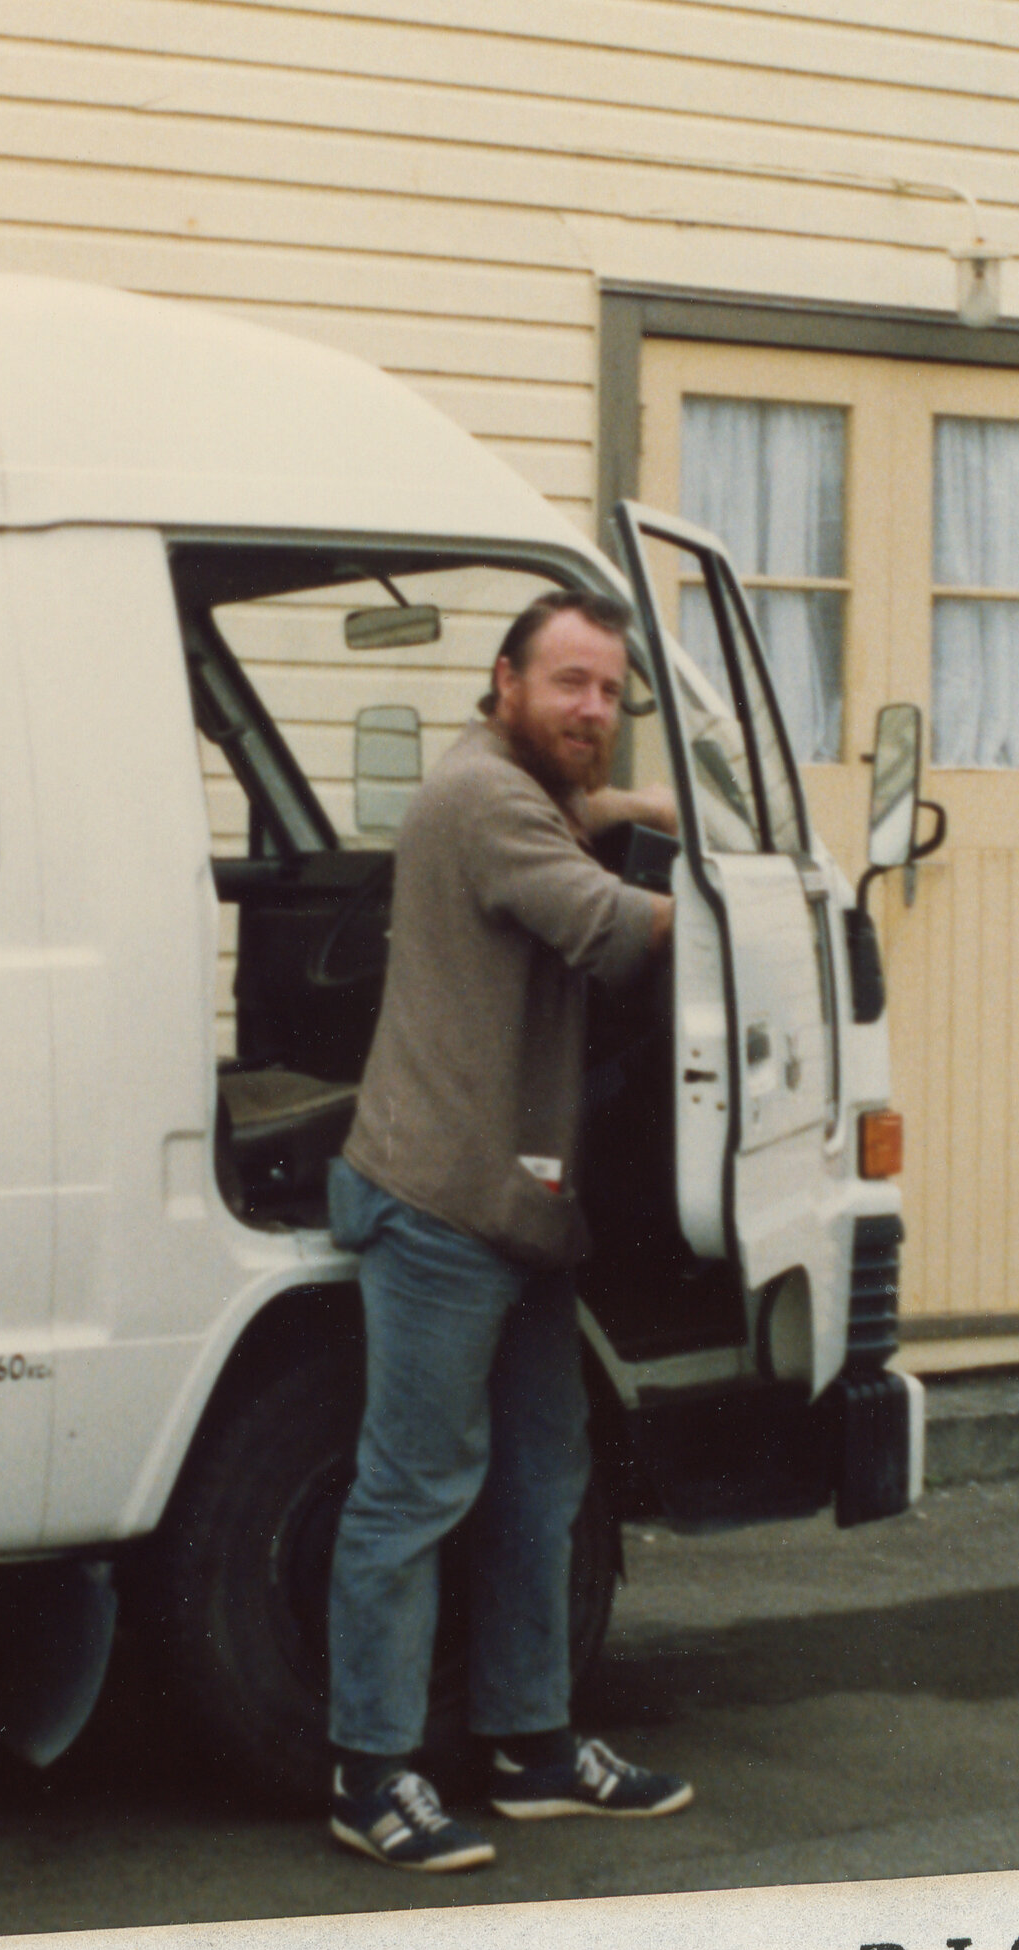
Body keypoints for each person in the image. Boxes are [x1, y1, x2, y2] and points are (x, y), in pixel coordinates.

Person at [325, 586, 691, 1873]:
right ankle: (369, 1776)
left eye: (608, 691)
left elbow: (574, 815)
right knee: (415, 1487)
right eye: (567, 685)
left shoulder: (510, 784)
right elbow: (606, 928)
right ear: (503, 682)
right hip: (440, 1200)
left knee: (541, 1473)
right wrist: (752, 904)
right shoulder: (483, 799)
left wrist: (644, 809)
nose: (590, 709)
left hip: (518, 1198)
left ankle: (531, 1748)